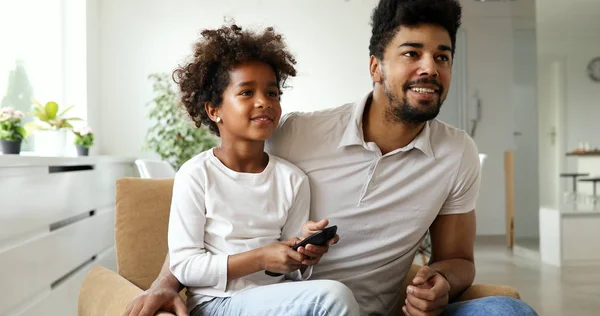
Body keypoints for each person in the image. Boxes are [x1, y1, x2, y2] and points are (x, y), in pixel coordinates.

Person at [124, 1, 539, 315]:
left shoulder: (457, 152)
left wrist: (442, 282)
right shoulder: (296, 133)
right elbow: (225, 191)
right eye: (412, 53)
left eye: (442, 56)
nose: (430, 68)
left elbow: (460, 261)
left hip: (378, 309)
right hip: (299, 306)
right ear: (376, 67)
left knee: (509, 311)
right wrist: (165, 281)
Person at [164, 24, 359, 316]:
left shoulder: (293, 180)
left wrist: (303, 253)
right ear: (214, 110)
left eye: (272, 93)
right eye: (246, 92)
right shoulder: (196, 174)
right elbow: (185, 266)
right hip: (215, 303)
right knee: (332, 298)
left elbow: (290, 273)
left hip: (274, 300)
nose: (264, 103)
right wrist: (260, 258)